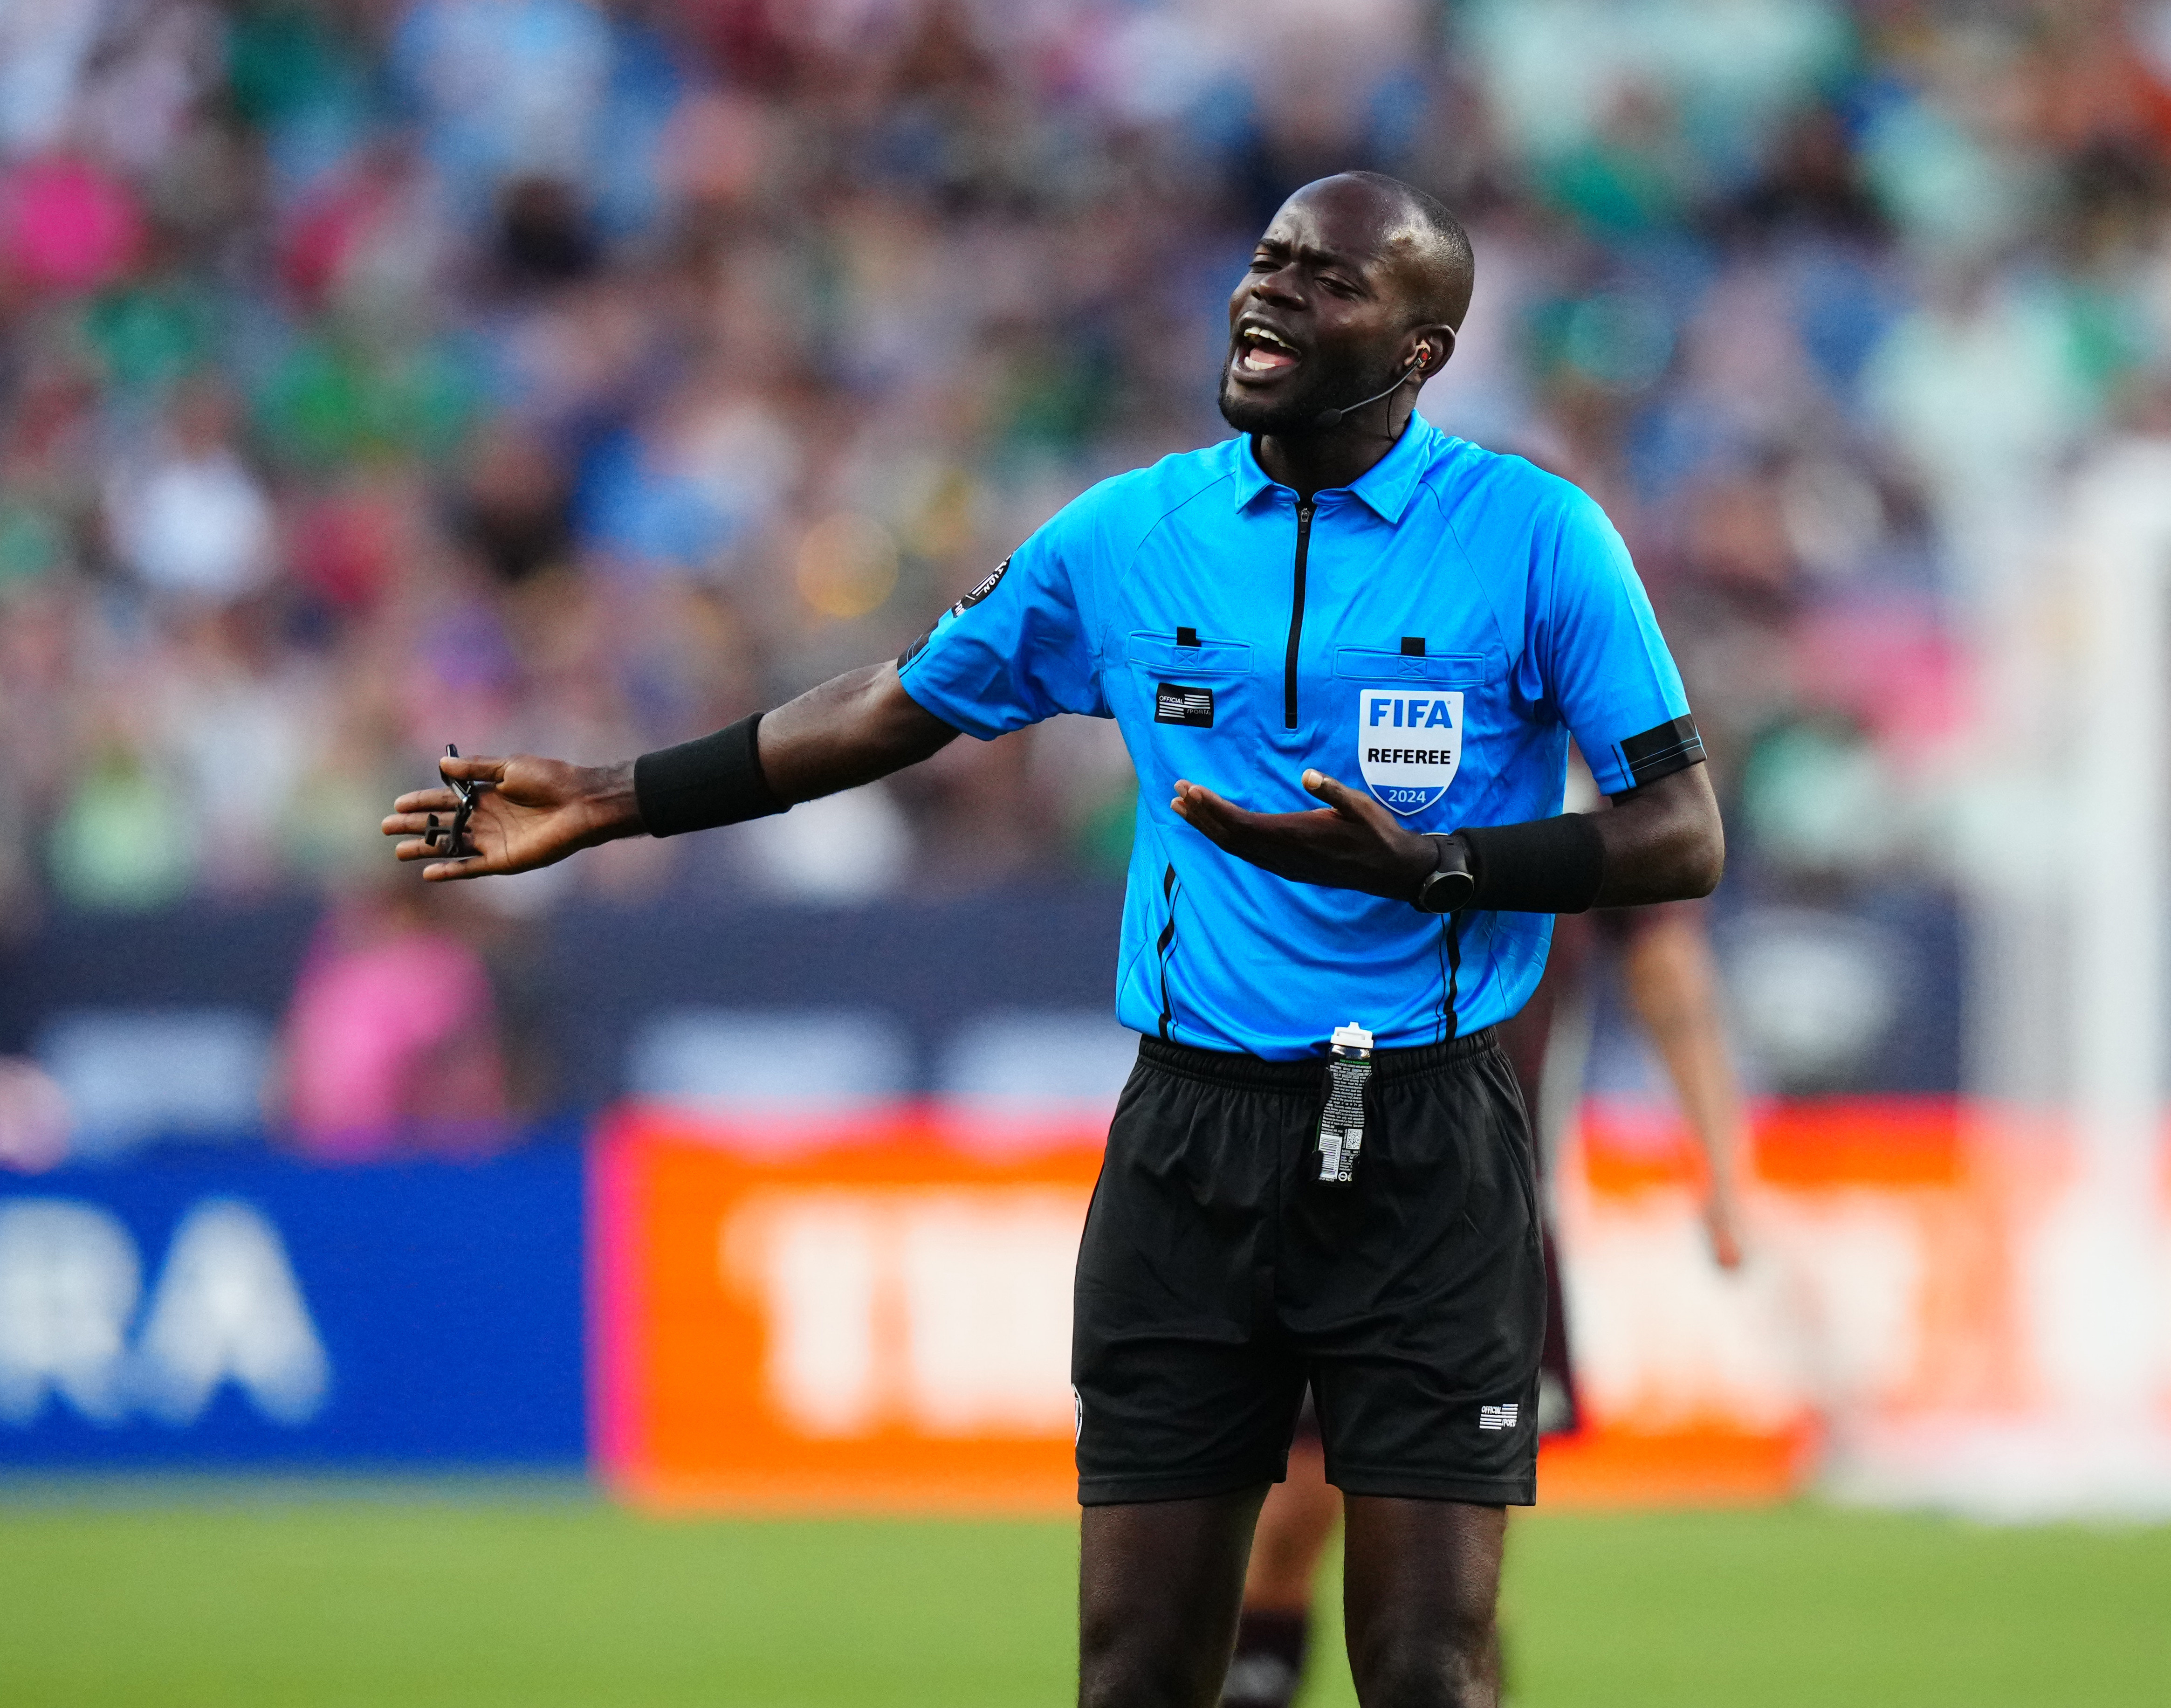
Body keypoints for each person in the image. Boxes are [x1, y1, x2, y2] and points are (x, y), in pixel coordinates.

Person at [383, 172, 1722, 1708]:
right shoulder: (1128, 533)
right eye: (1266, 260)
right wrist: (616, 795)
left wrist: (1442, 864)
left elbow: (1679, 830)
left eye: (1329, 281)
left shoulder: (1536, 537)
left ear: (1421, 351)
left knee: (1428, 1668)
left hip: (1428, 1137)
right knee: (1134, 1670)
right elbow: (895, 703)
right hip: (1189, 1140)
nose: (1269, 293)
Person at [1219, 895, 1749, 1708]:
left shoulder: (1589, 787)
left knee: (1454, 1554)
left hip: (1493, 1213)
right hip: (1323, 1201)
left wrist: (1720, 1165)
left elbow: (1668, 967)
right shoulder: (1343, 771)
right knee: (1290, 1520)